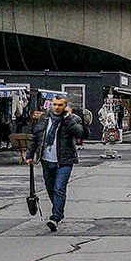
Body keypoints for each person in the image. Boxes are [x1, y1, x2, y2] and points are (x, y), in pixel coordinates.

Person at [25, 96, 85, 232]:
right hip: (47, 160)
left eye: (60, 105)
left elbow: (81, 133)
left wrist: (68, 119)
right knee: (50, 188)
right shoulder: (45, 119)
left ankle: (55, 217)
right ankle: (59, 211)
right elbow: (36, 138)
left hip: (64, 161)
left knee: (59, 188)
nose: (57, 107)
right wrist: (30, 155)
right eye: (55, 104)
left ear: (65, 106)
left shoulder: (73, 119)